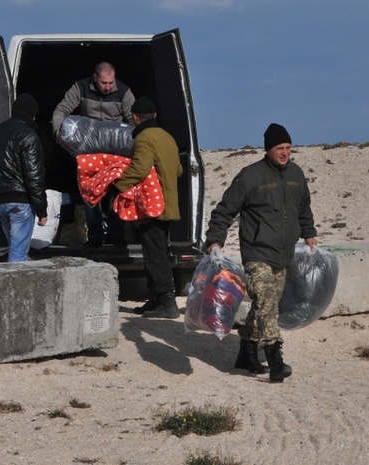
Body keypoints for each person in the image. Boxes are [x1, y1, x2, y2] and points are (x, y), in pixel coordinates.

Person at [205, 124, 317, 383]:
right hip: (257, 252)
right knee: (266, 301)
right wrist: (215, 241)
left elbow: (303, 208)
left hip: (283, 254)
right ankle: (275, 358)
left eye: (288, 148)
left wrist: (309, 233)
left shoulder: (296, 174)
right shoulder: (250, 176)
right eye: (279, 148)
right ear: (268, 149)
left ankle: (245, 353)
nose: (285, 153)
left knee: (265, 306)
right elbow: (224, 211)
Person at [52, 62, 135, 249]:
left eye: (111, 83)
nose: (108, 87)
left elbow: (133, 119)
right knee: (90, 193)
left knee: (117, 192)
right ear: (95, 78)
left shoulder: (124, 91)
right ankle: (95, 236)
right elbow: (61, 110)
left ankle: (118, 235)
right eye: (104, 83)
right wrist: (58, 134)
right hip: (89, 152)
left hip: (115, 152)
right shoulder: (80, 87)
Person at [113, 97, 183, 318]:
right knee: (156, 251)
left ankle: (167, 302)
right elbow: (179, 170)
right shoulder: (167, 137)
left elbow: (140, 168)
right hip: (168, 204)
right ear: (155, 116)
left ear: (135, 117)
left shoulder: (144, 138)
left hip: (152, 206)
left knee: (154, 255)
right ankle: (155, 300)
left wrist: (118, 185)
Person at [0, 93, 48, 262]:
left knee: (16, 249)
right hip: (20, 202)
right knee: (18, 255)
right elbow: (34, 176)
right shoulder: (29, 136)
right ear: (32, 114)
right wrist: (42, 209)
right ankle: (14, 280)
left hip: (0, 201)